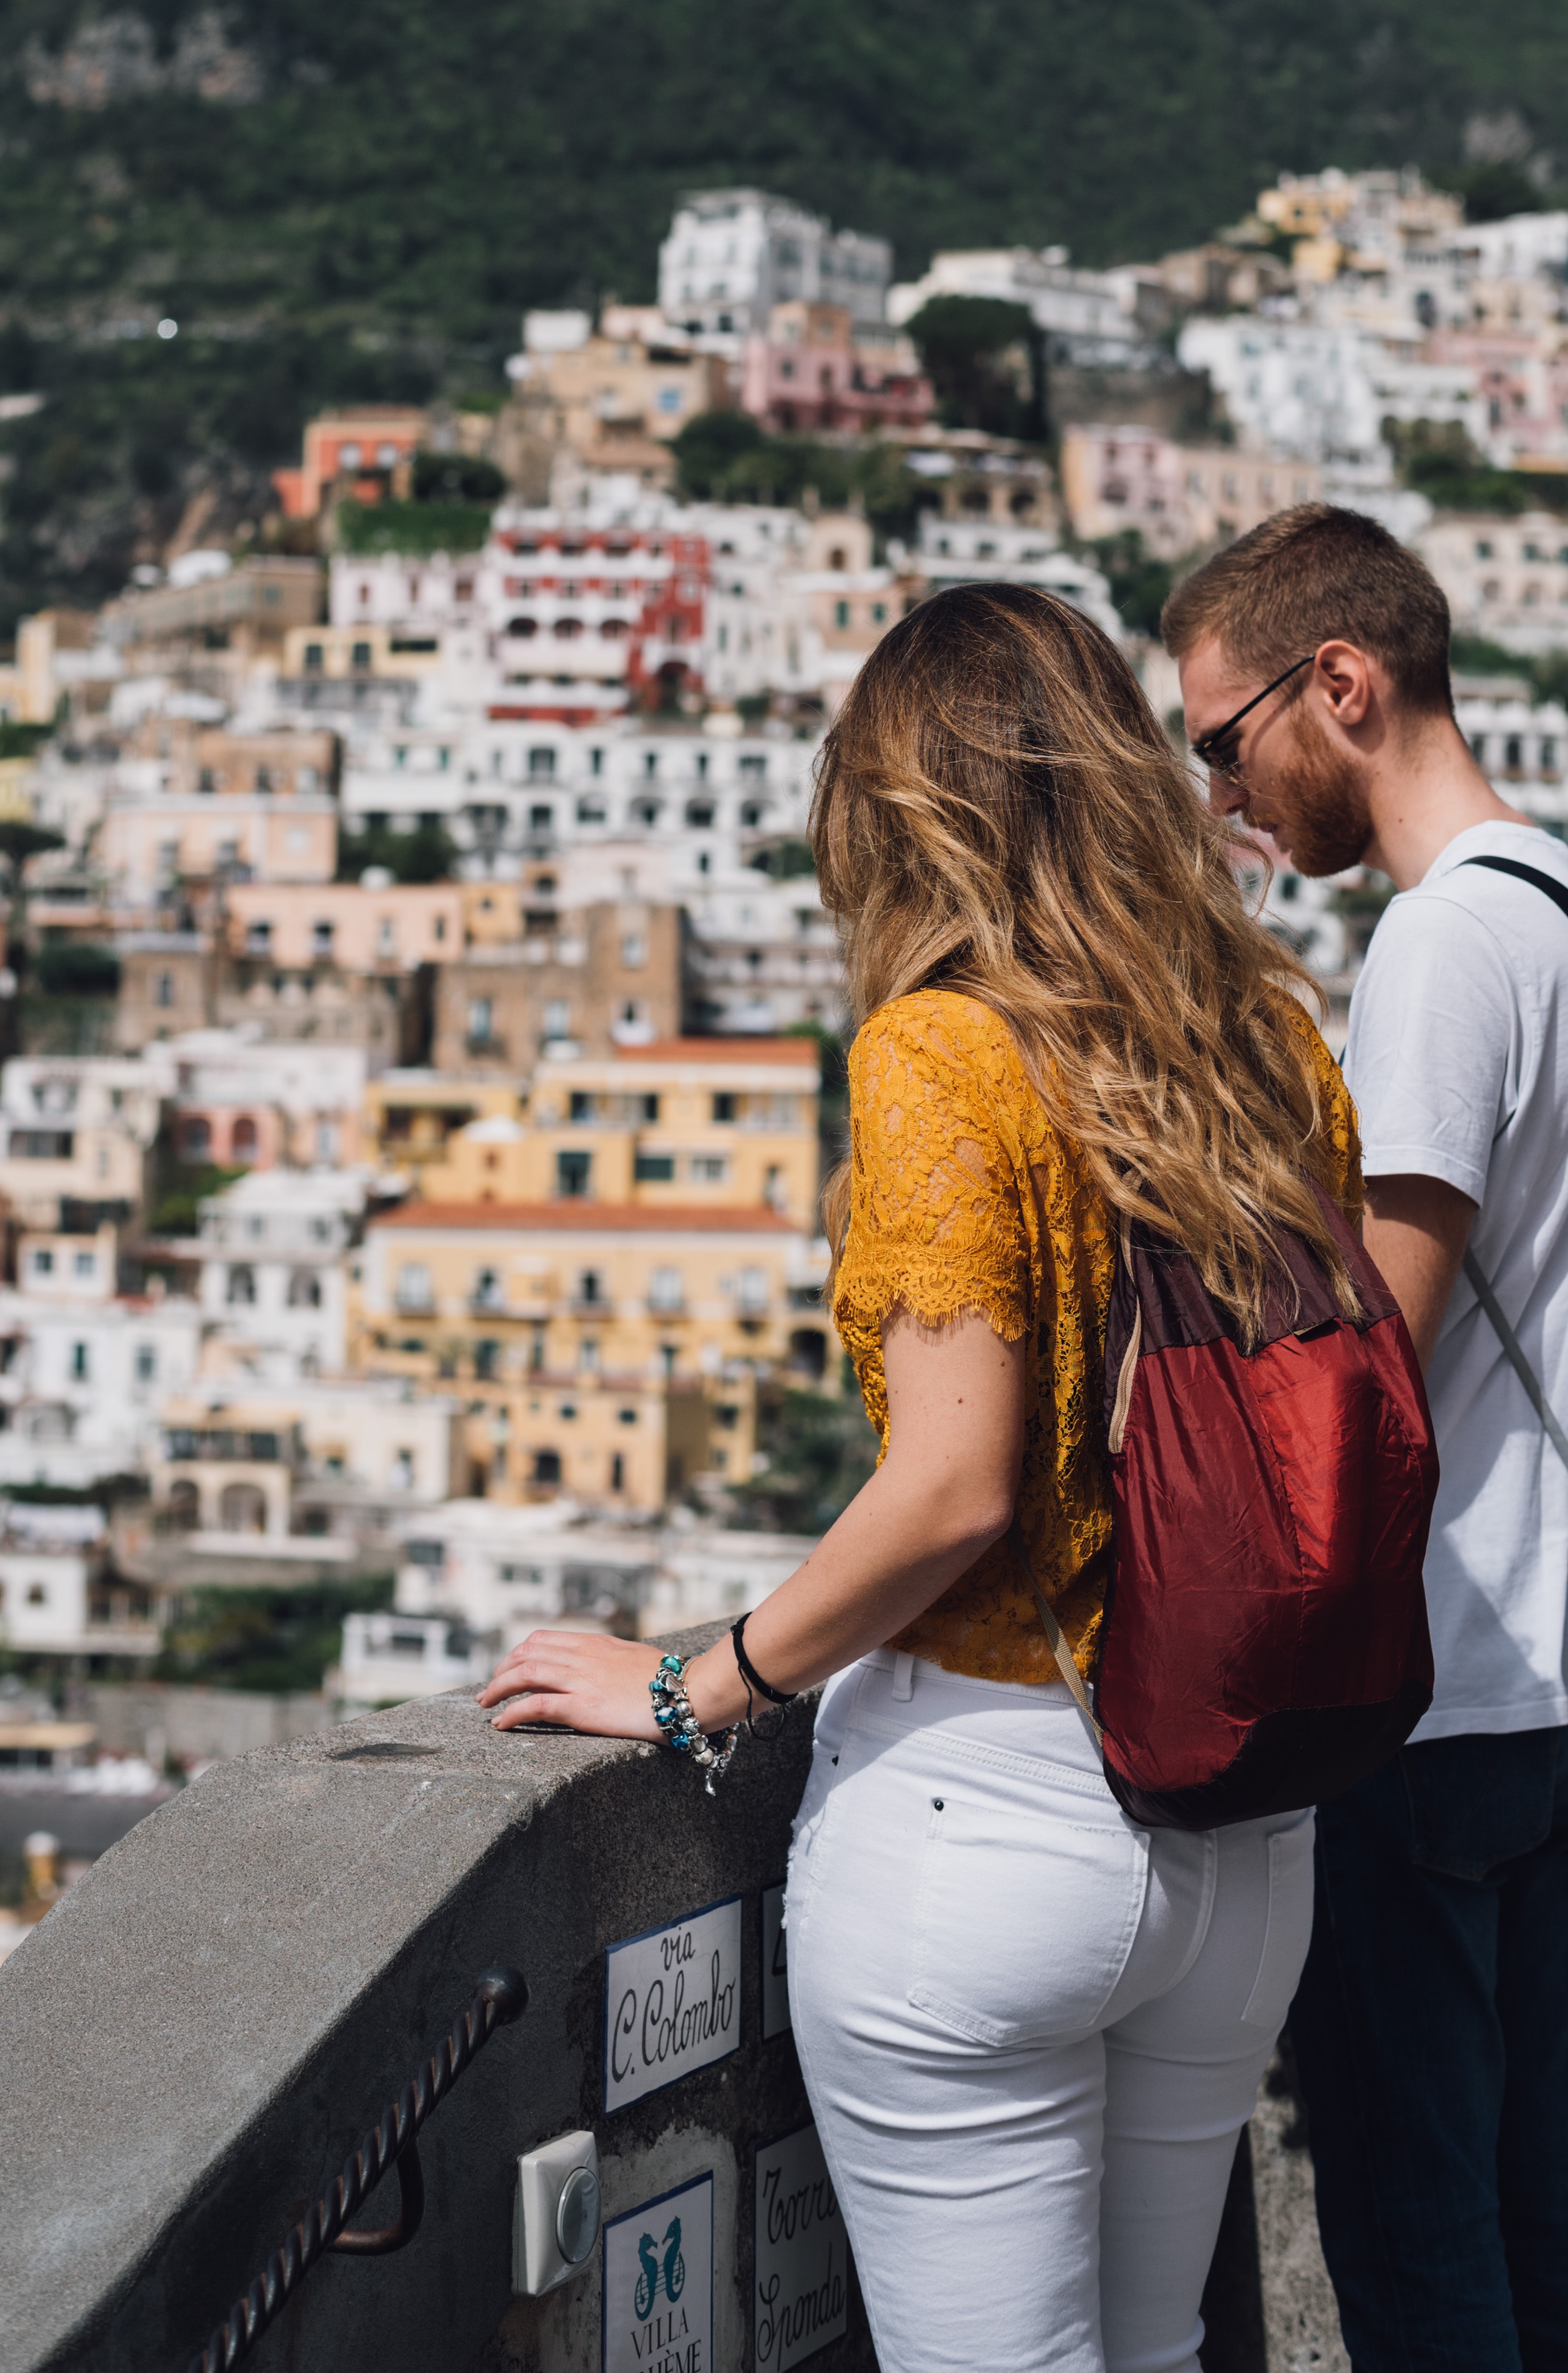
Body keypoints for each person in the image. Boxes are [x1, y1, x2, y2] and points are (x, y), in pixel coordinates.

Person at [480, 579, 1368, 2373]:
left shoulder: (942, 1056)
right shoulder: (1263, 1039)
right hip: (1241, 1824)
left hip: (991, 1810)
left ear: (895, 813)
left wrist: (688, 1682)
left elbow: (956, 1487)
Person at [1165, 502, 1568, 2373]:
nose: (1224, 796)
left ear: (1340, 686)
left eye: (1224, 743)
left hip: (1423, 1690)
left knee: (1414, 2224)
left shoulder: (1444, 951)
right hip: (1546, 1660)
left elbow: (1365, 1367)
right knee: (1546, 2200)